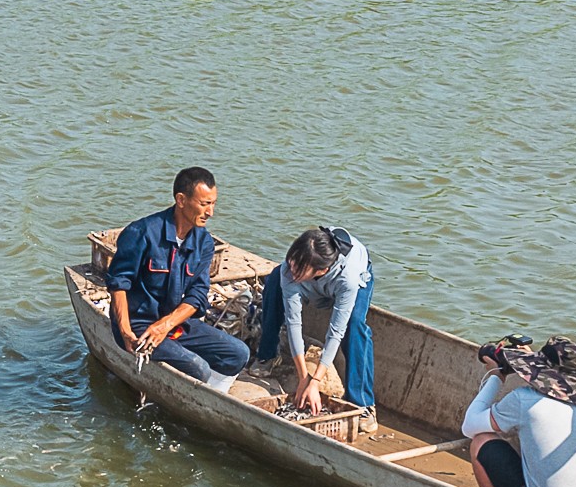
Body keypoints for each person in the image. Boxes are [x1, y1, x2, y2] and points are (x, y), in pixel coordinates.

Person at [105, 166, 250, 393]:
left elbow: (197, 295)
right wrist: (125, 331)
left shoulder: (204, 242)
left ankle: (208, 398)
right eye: (204, 204)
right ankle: (193, 393)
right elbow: (118, 284)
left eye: (213, 203)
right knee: (198, 367)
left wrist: (166, 325)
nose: (210, 212)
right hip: (138, 325)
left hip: (172, 323)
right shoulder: (142, 233)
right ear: (181, 200)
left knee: (239, 353)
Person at [461, 337, 576, 487]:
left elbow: (469, 426)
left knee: (480, 441)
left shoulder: (523, 400)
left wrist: (496, 375)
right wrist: (529, 360)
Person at [255, 226, 375, 420]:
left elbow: (336, 332)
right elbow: (294, 322)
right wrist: (304, 377)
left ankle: (364, 405)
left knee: (355, 326)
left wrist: (316, 380)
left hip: (351, 278)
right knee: (275, 281)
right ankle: (267, 354)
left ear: (322, 270)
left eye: (297, 269)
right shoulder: (290, 270)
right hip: (312, 279)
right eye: (291, 262)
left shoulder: (349, 278)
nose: (291, 271)